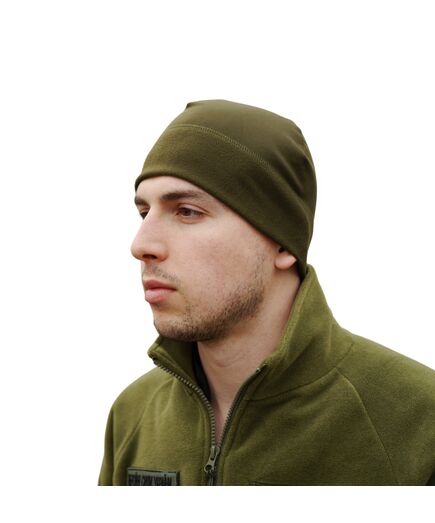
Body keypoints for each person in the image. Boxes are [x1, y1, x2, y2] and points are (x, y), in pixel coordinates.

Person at [98, 99, 435, 486]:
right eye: (144, 213)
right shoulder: (133, 414)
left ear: (283, 243)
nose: (141, 245)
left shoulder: (417, 420)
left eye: (187, 211)